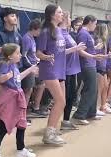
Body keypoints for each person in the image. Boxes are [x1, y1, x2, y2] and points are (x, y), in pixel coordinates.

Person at [0, 43, 37, 157]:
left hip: (18, 98)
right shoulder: (4, 65)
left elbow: (18, 77)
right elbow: (1, 79)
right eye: (17, 53)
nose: (20, 55)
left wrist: (30, 70)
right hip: (9, 100)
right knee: (2, 127)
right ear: (9, 56)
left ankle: (20, 150)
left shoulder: (14, 65)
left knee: (21, 124)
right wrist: (6, 76)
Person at [36, 4, 67, 145]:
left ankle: (53, 130)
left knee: (62, 102)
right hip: (49, 70)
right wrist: (47, 57)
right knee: (59, 101)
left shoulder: (59, 30)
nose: (62, 14)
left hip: (60, 69)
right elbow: (38, 53)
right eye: (59, 12)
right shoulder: (45, 31)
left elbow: (60, 51)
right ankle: (49, 134)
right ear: (52, 15)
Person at [71, 15, 105, 125]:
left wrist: (96, 50)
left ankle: (91, 112)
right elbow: (80, 51)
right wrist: (93, 57)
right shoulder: (82, 34)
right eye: (95, 24)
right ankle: (79, 114)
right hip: (86, 65)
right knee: (89, 90)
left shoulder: (87, 34)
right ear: (90, 22)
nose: (95, 26)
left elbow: (88, 49)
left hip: (91, 64)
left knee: (94, 90)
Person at [58, 11, 87, 130]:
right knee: (64, 98)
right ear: (64, 19)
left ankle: (66, 120)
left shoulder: (67, 33)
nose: (71, 19)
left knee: (71, 96)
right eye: (69, 17)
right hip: (65, 70)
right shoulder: (59, 33)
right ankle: (57, 123)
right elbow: (59, 53)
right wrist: (75, 48)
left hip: (72, 69)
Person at [21, 19, 48, 125]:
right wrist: (32, 67)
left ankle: (35, 108)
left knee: (41, 85)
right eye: (39, 30)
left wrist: (38, 62)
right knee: (28, 91)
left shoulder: (32, 38)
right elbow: (24, 55)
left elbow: (33, 55)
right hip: (28, 68)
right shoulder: (26, 38)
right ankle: (23, 115)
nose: (40, 33)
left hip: (34, 66)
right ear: (34, 29)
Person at [94, 23, 111, 114]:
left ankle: (103, 105)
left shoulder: (104, 41)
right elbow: (97, 55)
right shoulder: (98, 41)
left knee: (105, 87)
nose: (107, 31)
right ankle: (96, 108)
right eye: (106, 29)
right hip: (98, 67)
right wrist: (106, 56)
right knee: (100, 88)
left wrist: (107, 56)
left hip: (103, 66)